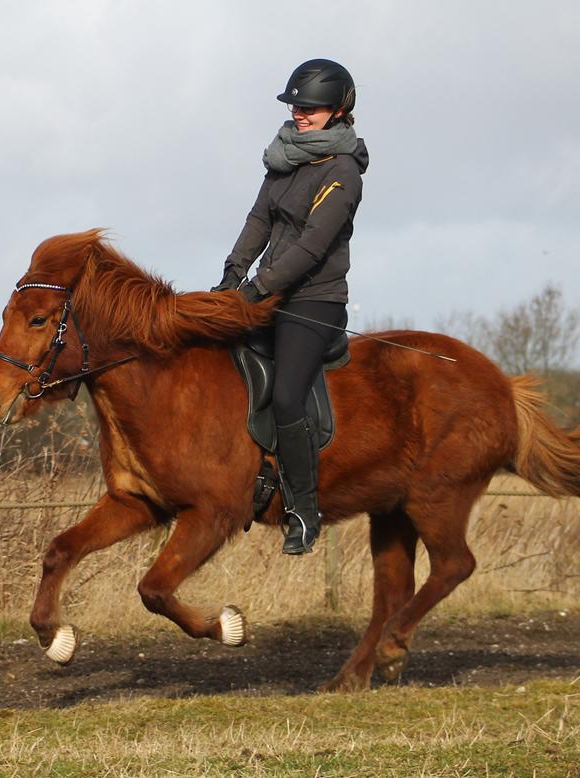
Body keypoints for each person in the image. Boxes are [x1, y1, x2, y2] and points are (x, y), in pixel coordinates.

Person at [213, 58, 369, 555]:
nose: (300, 114)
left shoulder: (342, 171)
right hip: (264, 292)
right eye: (296, 106)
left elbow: (310, 246)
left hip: (312, 301)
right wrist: (231, 277)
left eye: (311, 107)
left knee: (285, 397)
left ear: (338, 110)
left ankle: (304, 508)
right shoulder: (285, 159)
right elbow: (258, 220)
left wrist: (257, 290)